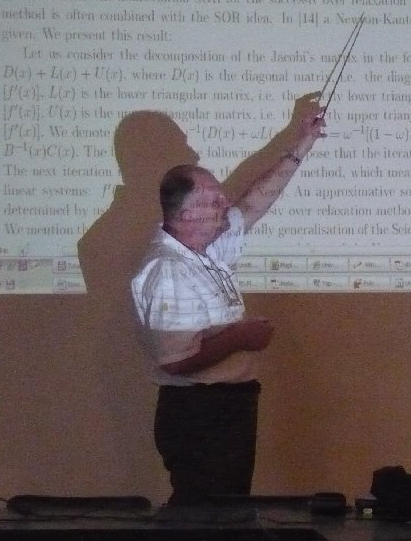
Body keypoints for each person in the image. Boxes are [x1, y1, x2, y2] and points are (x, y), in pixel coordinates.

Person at [129, 100, 326, 505]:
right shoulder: (168, 270)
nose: (225, 204)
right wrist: (241, 337)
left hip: (225, 408)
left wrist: (302, 143)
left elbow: (255, 202)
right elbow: (175, 362)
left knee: (228, 512)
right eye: (213, 200)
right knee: (206, 516)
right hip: (199, 414)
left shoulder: (208, 250)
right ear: (185, 214)